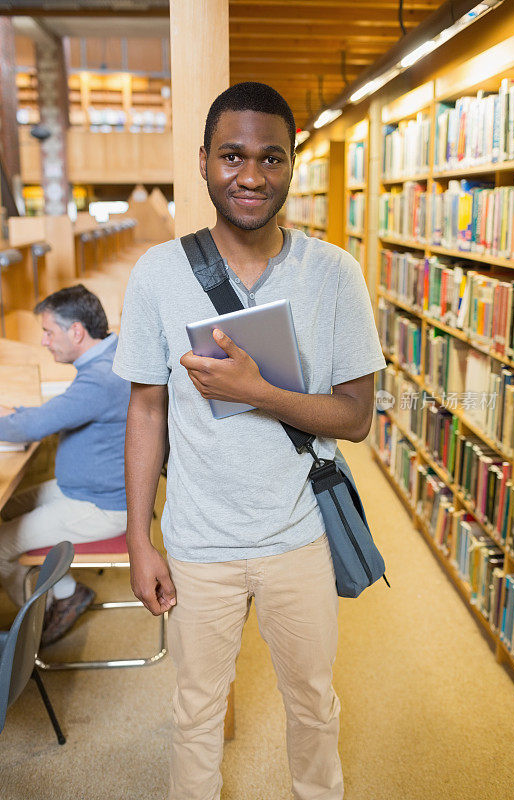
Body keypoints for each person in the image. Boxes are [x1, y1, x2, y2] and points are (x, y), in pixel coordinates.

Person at [113, 82, 385, 800]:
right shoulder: (159, 275)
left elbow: (355, 417)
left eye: (271, 158)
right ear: (203, 161)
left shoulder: (334, 275)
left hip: (299, 535)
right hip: (199, 542)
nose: (252, 176)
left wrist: (255, 391)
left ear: (291, 164)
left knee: (314, 707)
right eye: (233, 156)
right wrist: (139, 537)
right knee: (195, 714)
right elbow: (144, 411)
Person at [0, 285, 130, 645]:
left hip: (99, 506)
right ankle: (68, 591)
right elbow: (57, 412)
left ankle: (27, 636)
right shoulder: (109, 356)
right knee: (7, 507)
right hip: (85, 489)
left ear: (76, 331)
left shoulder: (100, 378)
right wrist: (19, 415)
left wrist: (16, 417)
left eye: (48, 332)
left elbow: (34, 426)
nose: (43, 341)